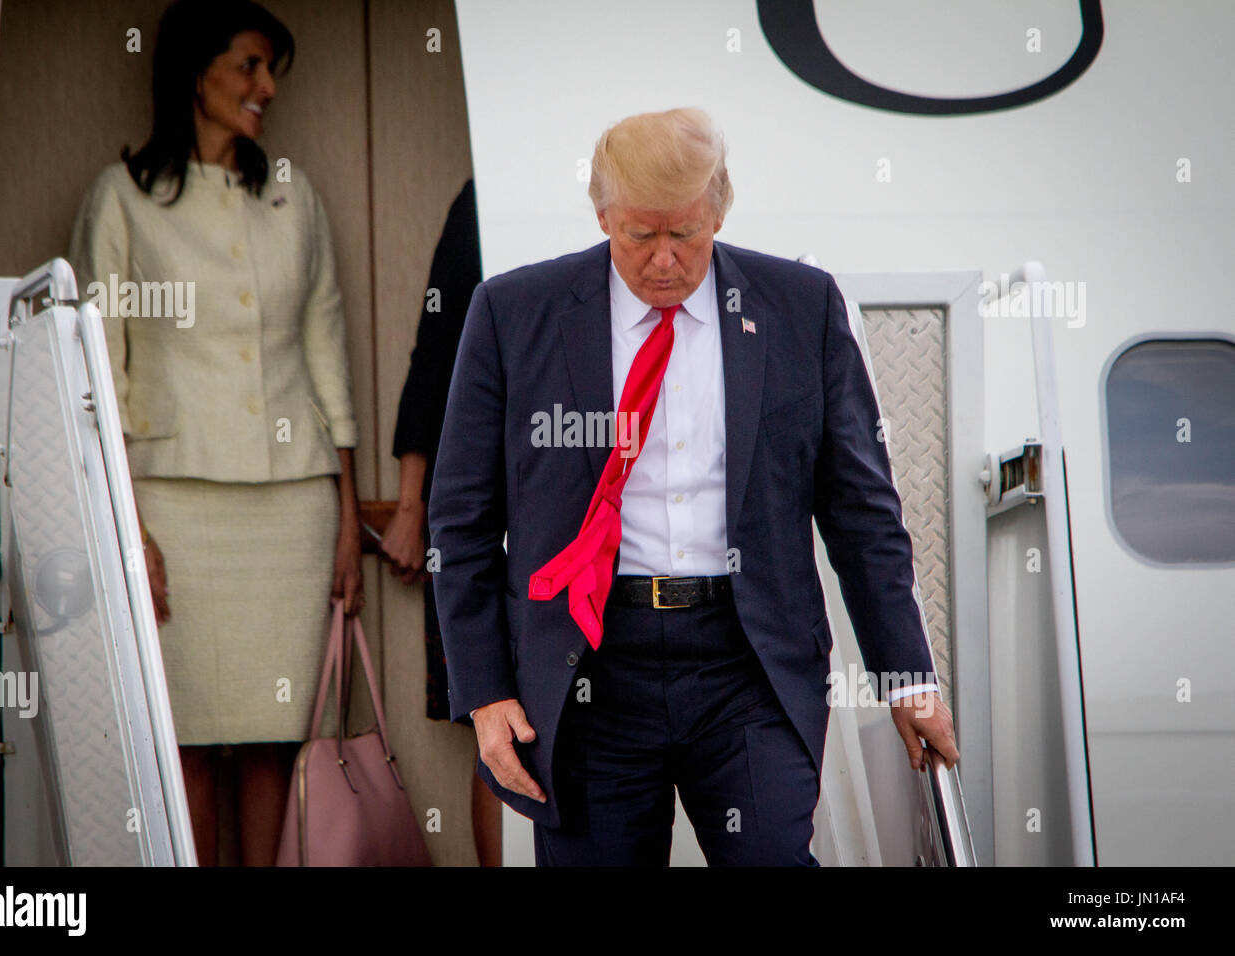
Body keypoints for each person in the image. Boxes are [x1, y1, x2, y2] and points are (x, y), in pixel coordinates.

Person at [427, 107, 959, 866]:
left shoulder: (799, 308)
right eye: (640, 236)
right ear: (602, 212)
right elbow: (461, 523)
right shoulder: (515, 314)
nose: (665, 260)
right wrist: (484, 694)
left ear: (720, 208)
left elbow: (861, 512)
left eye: (687, 234)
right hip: (590, 670)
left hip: (748, 663)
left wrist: (908, 677)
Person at [68, 0, 362, 866]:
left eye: (272, 69)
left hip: (292, 507)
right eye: (249, 65)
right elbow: (101, 376)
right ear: (195, 73)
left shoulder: (290, 191)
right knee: (187, 736)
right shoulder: (121, 198)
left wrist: (349, 514)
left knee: (274, 735)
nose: (266, 87)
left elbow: (327, 350)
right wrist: (131, 530)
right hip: (171, 506)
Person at [380, 178, 503, 865]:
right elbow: (436, 351)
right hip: (490, 508)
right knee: (500, 720)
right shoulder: (484, 195)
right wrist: (408, 508)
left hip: (609, 521)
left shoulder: (640, 206)